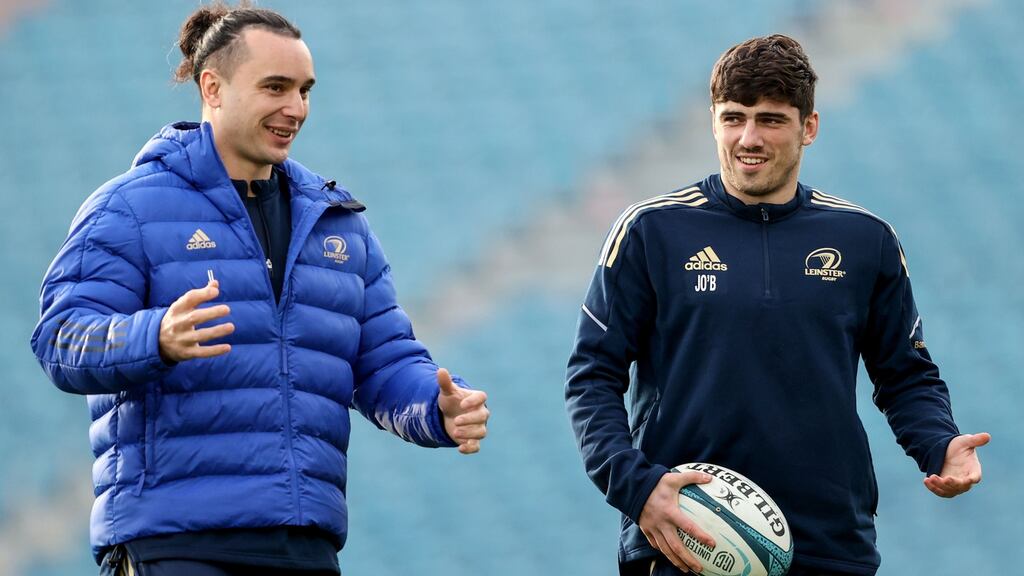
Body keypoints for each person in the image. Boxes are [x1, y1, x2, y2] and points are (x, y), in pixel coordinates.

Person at [30, 4, 489, 575]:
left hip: (306, 545)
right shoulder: (127, 208)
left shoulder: (337, 222)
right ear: (212, 87)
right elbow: (60, 339)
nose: (295, 108)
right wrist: (156, 336)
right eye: (276, 87)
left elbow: (384, 363)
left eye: (305, 90)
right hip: (176, 544)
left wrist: (436, 407)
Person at [565, 34, 988, 576]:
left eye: (770, 119)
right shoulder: (651, 230)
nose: (748, 138)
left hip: (830, 542)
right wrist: (637, 488)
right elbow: (592, 375)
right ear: (712, 121)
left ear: (808, 127)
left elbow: (905, 375)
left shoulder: (865, 238)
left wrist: (939, 444)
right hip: (687, 539)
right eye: (733, 117)